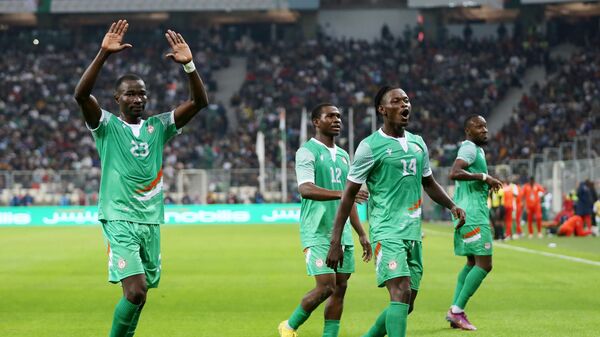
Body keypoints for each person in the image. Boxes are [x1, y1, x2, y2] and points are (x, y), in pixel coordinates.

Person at [74, 20, 208, 337]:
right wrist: (103, 54)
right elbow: (81, 95)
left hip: (150, 219)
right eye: (130, 94)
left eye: (142, 94)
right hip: (118, 217)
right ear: (117, 99)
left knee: (141, 294)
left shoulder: (158, 127)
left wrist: (189, 65)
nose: (138, 99)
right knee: (135, 290)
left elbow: (199, 102)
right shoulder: (106, 126)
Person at [325, 86, 466, 337]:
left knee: (407, 301)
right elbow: (348, 194)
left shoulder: (418, 143)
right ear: (382, 109)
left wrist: (452, 205)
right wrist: (336, 240)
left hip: (413, 231)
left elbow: (429, 183)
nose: (405, 105)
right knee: (400, 291)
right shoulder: (369, 147)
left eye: (407, 100)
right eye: (397, 101)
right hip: (386, 229)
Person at [279, 103, 372, 337]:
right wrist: (343, 193)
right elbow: (305, 188)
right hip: (317, 231)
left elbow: (348, 202)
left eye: (339, 116)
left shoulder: (343, 156)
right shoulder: (307, 151)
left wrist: (361, 233)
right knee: (326, 287)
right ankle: (289, 326)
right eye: (330, 116)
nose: (337, 120)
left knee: (340, 288)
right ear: (316, 122)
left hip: (343, 234)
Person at [446, 115, 502, 331]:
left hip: (466, 212)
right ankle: (457, 311)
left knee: (471, 263)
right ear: (468, 131)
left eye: (486, 126)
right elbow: (454, 172)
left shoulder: (476, 149)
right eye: (479, 126)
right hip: (473, 215)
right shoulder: (469, 148)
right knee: (485, 264)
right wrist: (483, 177)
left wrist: (484, 183)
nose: (484, 129)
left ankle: (454, 310)